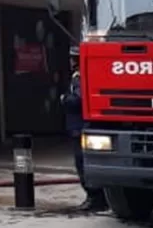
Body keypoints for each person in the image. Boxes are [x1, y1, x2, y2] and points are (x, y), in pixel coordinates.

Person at [61, 43, 108, 212]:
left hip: (80, 126)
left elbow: (79, 100)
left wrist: (64, 99)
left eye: (73, 58)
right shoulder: (81, 75)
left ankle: (95, 198)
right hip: (79, 126)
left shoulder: (81, 77)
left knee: (83, 163)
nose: (71, 61)